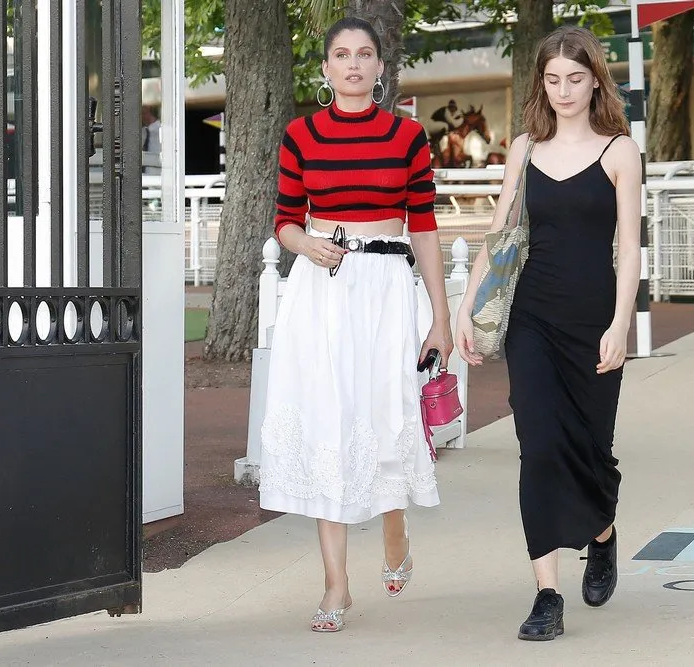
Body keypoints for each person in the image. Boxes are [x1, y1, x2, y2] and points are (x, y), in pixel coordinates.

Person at [259, 17, 454, 632]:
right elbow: (286, 219)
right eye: (341, 54)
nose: (352, 64)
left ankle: (394, 530)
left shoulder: (408, 136)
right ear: (325, 68)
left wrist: (440, 320)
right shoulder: (300, 135)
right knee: (327, 420)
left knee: (387, 415)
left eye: (364, 54)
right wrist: (305, 246)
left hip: (389, 291)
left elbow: (422, 226)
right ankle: (336, 585)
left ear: (378, 67)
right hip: (323, 290)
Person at [456, 26, 642, 641]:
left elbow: (631, 250)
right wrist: (467, 307)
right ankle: (547, 594)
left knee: (590, 451)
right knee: (538, 448)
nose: (563, 90)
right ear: (542, 83)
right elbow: (500, 235)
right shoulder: (524, 150)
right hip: (531, 320)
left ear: (595, 81)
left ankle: (603, 532)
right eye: (553, 78)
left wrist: (621, 324)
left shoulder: (620, 152)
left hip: (593, 322)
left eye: (575, 78)